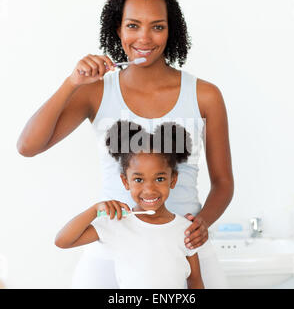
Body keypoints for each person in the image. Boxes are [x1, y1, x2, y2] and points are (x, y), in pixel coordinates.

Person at [17, 0, 234, 288]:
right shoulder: (95, 91)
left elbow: (223, 183)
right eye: (133, 25)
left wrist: (203, 223)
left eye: (157, 26)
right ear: (117, 29)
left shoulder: (205, 94)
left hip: (183, 245)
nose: (144, 38)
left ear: (171, 31)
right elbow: (27, 146)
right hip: (112, 247)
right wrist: (72, 83)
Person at [55, 120, 204, 289]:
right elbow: (63, 241)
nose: (149, 190)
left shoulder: (185, 229)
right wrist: (95, 210)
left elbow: (195, 281)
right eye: (138, 179)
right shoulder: (117, 223)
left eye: (159, 179)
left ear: (173, 179)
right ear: (125, 182)